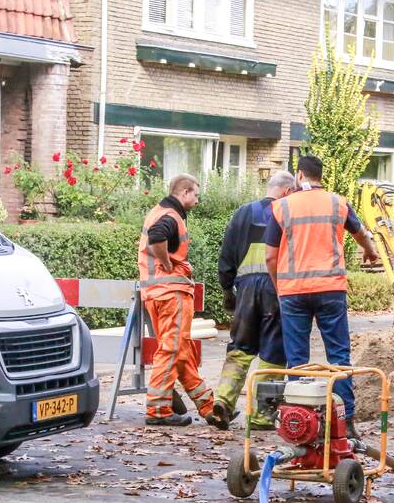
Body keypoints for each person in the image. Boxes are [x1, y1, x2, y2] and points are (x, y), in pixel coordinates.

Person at [264, 155, 379, 438]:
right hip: (330, 289)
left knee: (298, 360)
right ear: (321, 176)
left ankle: (299, 423)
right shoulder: (337, 203)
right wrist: (370, 251)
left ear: (299, 175)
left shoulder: (282, 206)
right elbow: (361, 234)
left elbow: (270, 257)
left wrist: (280, 287)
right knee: (338, 356)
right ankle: (345, 423)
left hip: (293, 292)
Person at [138, 174, 231, 429]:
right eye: (196, 195)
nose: (197, 200)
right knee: (171, 351)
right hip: (172, 294)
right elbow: (157, 238)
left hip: (156, 293)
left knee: (181, 352)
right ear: (184, 193)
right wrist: (168, 264)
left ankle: (209, 407)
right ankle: (158, 410)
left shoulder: (157, 211)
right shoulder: (170, 216)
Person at [215, 171, 297, 429]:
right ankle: (263, 414)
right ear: (287, 191)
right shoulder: (287, 213)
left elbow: (227, 254)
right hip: (275, 287)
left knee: (239, 347)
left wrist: (227, 289)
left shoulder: (243, 213)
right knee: (273, 352)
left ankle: (223, 400)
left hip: (246, 289)